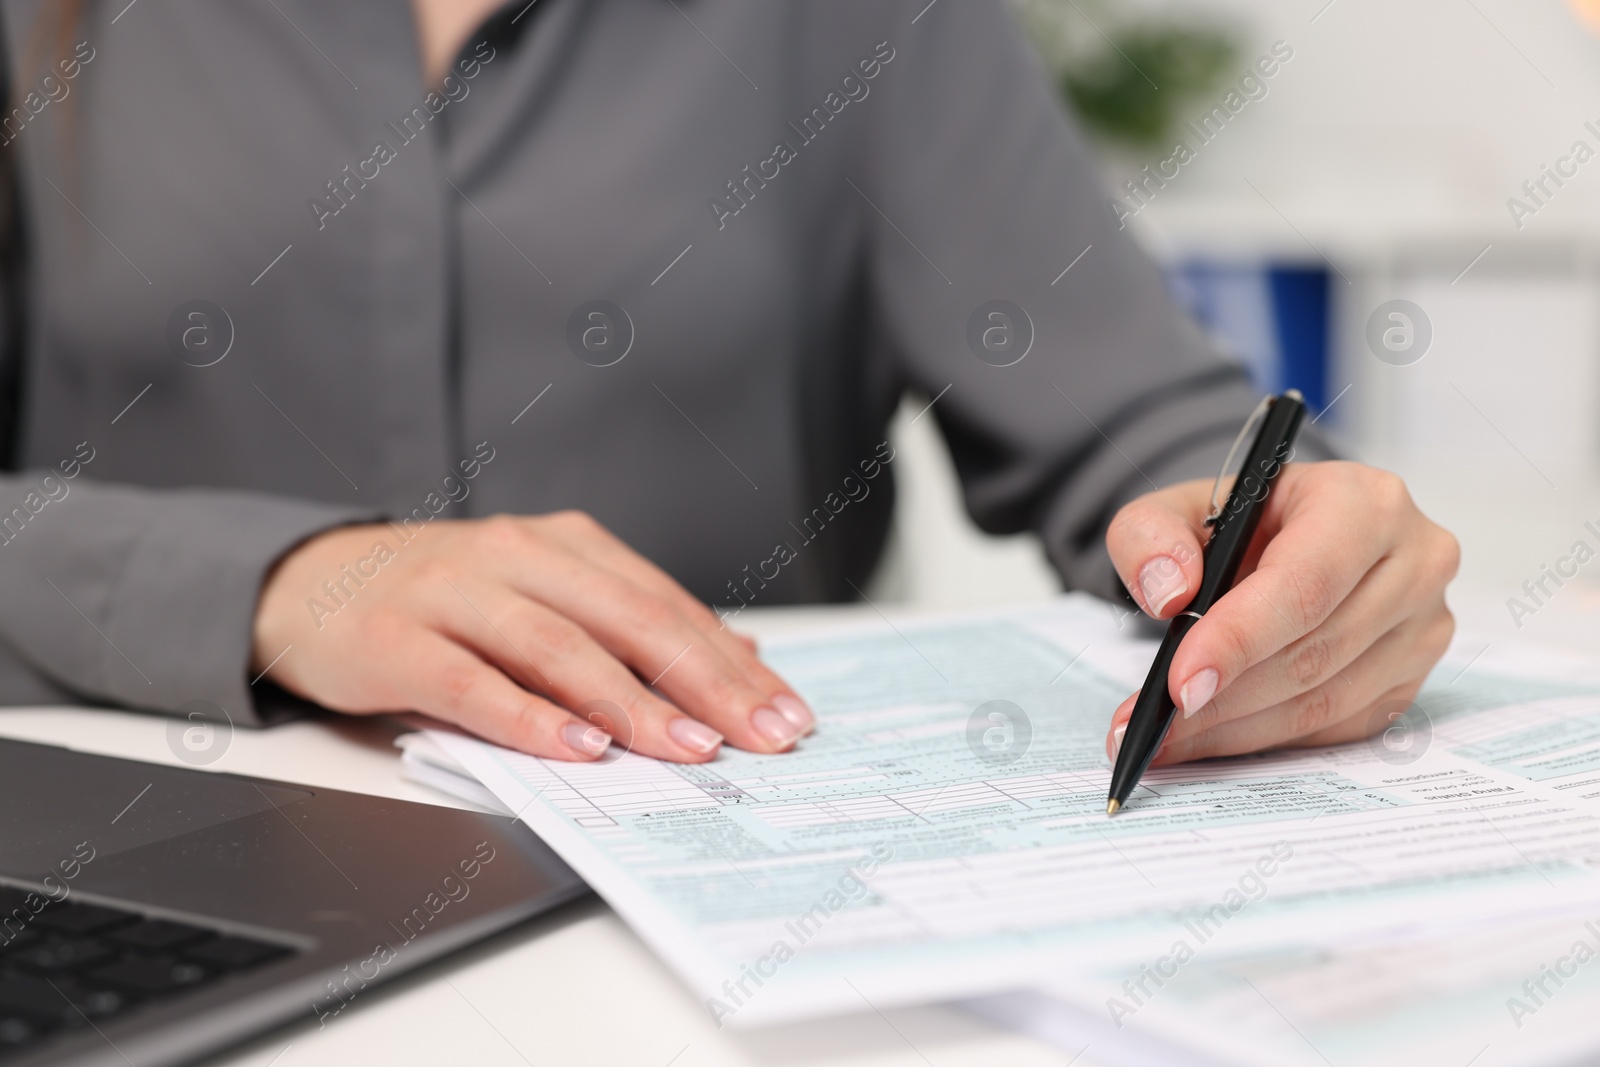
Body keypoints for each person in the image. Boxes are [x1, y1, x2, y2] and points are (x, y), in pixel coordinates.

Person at [0, 0, 1457, 766]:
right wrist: (272, 586)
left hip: (709, 893)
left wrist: (1281, 553)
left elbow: (1133, 416)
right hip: (141, 860)